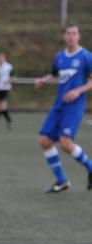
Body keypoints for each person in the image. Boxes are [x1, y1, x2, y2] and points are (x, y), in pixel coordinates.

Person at [35, 23, 92, 193]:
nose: (71, 36)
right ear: (64, 36)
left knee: (66, 143)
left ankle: (90, 167)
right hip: (58, 105)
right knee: (45, 141)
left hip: (74, 107)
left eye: (74, 33)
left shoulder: (86, 56)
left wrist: (78, 90)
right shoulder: (59, 57)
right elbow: (55, 75)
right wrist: (44, 80)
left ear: (79, 36)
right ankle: (62, 180)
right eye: (68, 33)